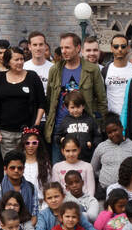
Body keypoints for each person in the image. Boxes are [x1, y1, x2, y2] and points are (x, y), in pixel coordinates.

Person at [44, 33, 107, 162]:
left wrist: (99, 126)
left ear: (78, 48)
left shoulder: (92, 69)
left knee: (85, 172)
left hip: (85, 129)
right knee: (59, 172)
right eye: (61, 48)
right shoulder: (55, 70)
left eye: (67, 47)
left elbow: (101, 100)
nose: (64, 51)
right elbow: (50, 99)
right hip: (60, 130)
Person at [0, 47, 45, 175]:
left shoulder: (32, 76)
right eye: (16, 59)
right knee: (11, 168)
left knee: (26, 168)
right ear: (8, 61)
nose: (20, 62)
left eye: (22, 59)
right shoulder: (0, 77)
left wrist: (35, 125)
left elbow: (42, 103)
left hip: (26, 132)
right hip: (5, 132)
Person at [102, 35, 132, 120]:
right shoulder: (105, 70)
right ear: (111, 48)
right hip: (112, 119)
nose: (120, 49)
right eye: (116, 46)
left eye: (123, 46)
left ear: (128, 48)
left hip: (131, 118)